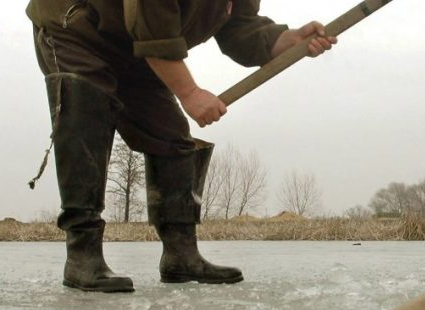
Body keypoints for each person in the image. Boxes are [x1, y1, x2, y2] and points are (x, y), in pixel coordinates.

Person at [25, 0, 337, 292]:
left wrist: (286, 40)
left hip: (133, 46)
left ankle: (181, 254)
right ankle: (82, 255)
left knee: (170, 135)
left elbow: (240, 29)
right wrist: (189, 92)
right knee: (86, 115)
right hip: (77, 27)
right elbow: (151, 20)